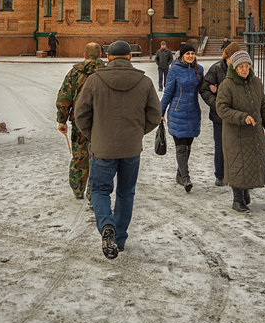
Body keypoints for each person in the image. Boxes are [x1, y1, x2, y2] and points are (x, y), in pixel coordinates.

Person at [74, 40, 160, 259]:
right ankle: (119, 238)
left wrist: (94, 135)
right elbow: (154, 116)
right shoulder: (145, 82)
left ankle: (106, 227)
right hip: (131, 148)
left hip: (103, 148)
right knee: (125, 192)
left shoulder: (94, 81)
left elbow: (80, 115)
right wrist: (138, 132)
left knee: (100, 190)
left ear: (108, 58)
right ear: (130, 57)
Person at [216, 49, 265, 213]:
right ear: (233, 68)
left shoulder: (256, 82)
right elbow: (222, 109)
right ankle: (237, 199)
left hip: (254, 132)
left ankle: (245, 192)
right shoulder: (226, 85)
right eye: (240, 66)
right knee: (238, 164)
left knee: (251, 162)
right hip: (235, 134)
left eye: (246, 66)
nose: (244, 69)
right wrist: (242, 117)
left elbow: (263, 106)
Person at [56, 42, 105, 199]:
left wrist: (61, 120)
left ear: (84, 55)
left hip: (79, 120)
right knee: (98, 155)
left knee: (79, 153)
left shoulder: (74, 73)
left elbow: (64, 98)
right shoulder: (106, 72)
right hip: (101, 121)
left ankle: (77, 188)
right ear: (100, 55)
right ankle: (93, 191)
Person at [160, 42, 204, 193]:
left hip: (193, 113)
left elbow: (204, 89)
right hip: (177, 112)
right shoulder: (175, 70)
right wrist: (161, 112)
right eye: (187, 54)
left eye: (192, 53)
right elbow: (168, 92)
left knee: (188, 146)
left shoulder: (199, 70)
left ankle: (180, 174)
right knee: (181, 147)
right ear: (182, 56)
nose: (191, 56)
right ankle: (186, 178)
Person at [200, 40, 240, 185]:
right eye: (231, 58)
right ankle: (220, 174)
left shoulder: (241, 68)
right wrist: (217, 105)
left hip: (237, 116)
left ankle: (235, 174)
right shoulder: (216, 69)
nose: (234, 61)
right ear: (226, 57)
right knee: (220, 145)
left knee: (237, 146)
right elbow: (204, 89)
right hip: (220, 116)